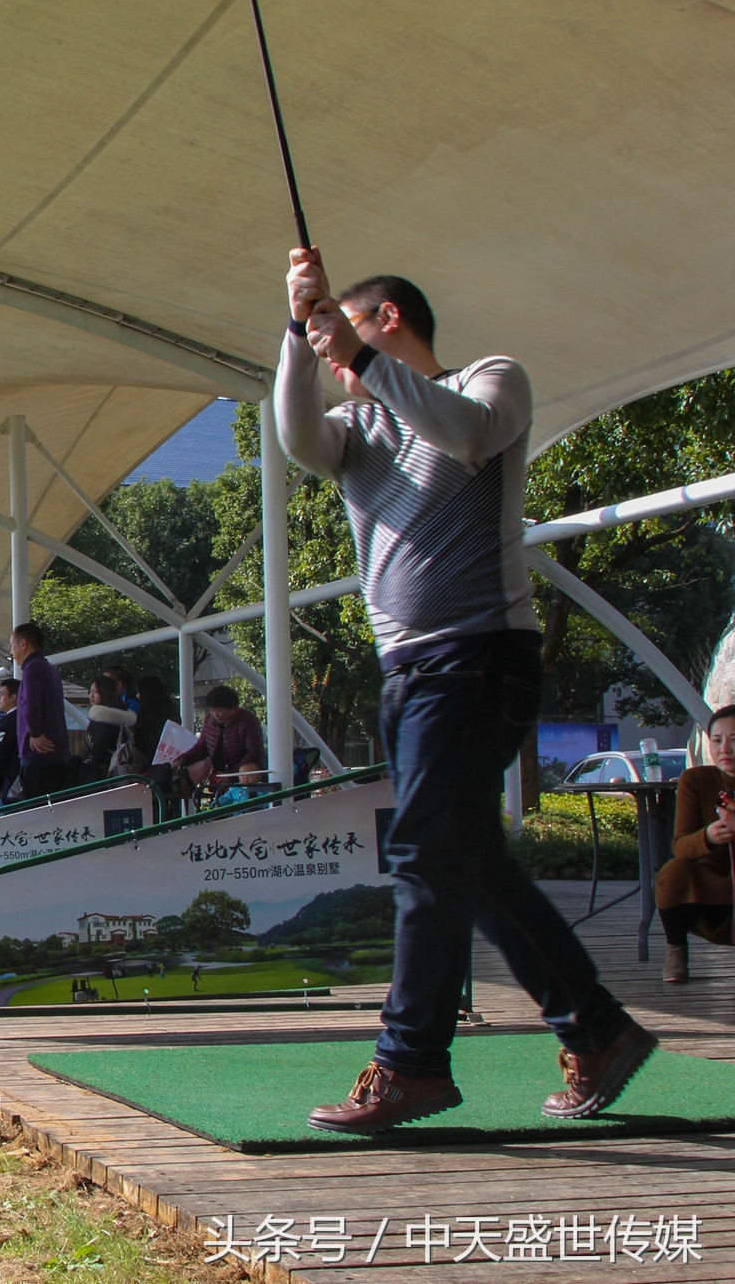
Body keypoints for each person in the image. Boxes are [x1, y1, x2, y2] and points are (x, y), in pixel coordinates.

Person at [281, 247, 650, 1131]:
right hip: (407, 673)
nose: (341, 356)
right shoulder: (358, 426)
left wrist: (356, 358)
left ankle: (411, 1063)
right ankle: (596, 1026)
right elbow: (299, 437)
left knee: (422, 855)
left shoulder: (490, 380)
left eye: (349, 330)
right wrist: (299, 333)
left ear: (390, 322)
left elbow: (470, 434)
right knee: (463, 862)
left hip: (480, 655)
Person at [655, 705, 735, 983]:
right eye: (717, 740)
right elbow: (681, 844)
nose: (725, 749)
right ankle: (676, 950)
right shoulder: (696, 779)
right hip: (711, 885)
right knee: (672, 872)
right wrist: (709, 837)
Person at [13, 623, 75, 799]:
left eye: (12, 645)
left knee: (37, 814)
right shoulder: (48, 668)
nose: (12, 652)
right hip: (56, 753)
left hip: (39, 756)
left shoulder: (33, 669)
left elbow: (30, 704)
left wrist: (35, 732)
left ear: (23, 643)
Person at [169, 686, 264, 794]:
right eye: (212, 710)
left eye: (219, 711)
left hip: (245, 777)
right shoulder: (210, 722)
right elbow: (201, 748)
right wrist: (181, 761)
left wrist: (233, 775)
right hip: (220, 776)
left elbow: (254, 752)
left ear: (232, 709)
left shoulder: (248, 721)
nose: (215, 714)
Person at [81, 675, 139, 779]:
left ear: (105, 692)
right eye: (90, 692)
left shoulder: (100, 719)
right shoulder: (124, 717)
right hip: (119, 770)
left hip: (97, 774)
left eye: (95, 692)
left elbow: (96, 750)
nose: (91, 696)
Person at [0, 678, 21, 802]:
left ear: (13, 697)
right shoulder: (28, 718)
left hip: (11, 782)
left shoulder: (7, 722)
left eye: (2, 694)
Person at [131, 674, 175, 765]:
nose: (137, 696)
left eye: (140, 692)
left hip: (149, 766)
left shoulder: (146, 716)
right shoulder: (171, 711)